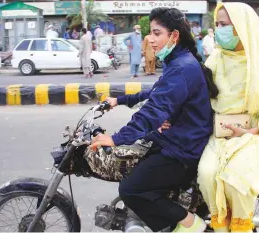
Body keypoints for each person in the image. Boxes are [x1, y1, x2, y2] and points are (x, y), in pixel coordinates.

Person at [91, 7, 219, 232]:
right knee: (133, 165)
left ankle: (192, 225)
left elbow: (153, 111)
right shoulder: (176, 61)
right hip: (175, 138)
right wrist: (119, 100)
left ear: (174, 36)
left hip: (183, 148)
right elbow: (157, 93)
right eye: (150, 33)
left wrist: (116, 138)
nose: (150, 39)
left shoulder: (182, 68)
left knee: (131, 189)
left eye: (156, 33)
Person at [197, 2, 259, 232]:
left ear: (242, 27)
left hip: (256, 136)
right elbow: (198, 97)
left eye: (225, 25)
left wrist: (250, 132)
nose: (219, 30)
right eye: (217, 24)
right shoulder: (214, 60)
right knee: (207, 173)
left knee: (236, 178)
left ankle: (241, 227)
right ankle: (220, 226)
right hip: (220, 137)